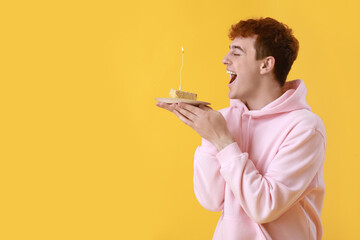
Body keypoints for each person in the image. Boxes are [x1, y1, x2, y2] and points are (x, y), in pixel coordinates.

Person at [156, 17, 326, 240]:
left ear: (266, 64)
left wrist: (223, 140)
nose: (225, 60)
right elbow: (211, 200)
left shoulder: (305, 128)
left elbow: (264, 207)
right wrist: (208, 136)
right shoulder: (223, 120)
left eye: (236, 53)